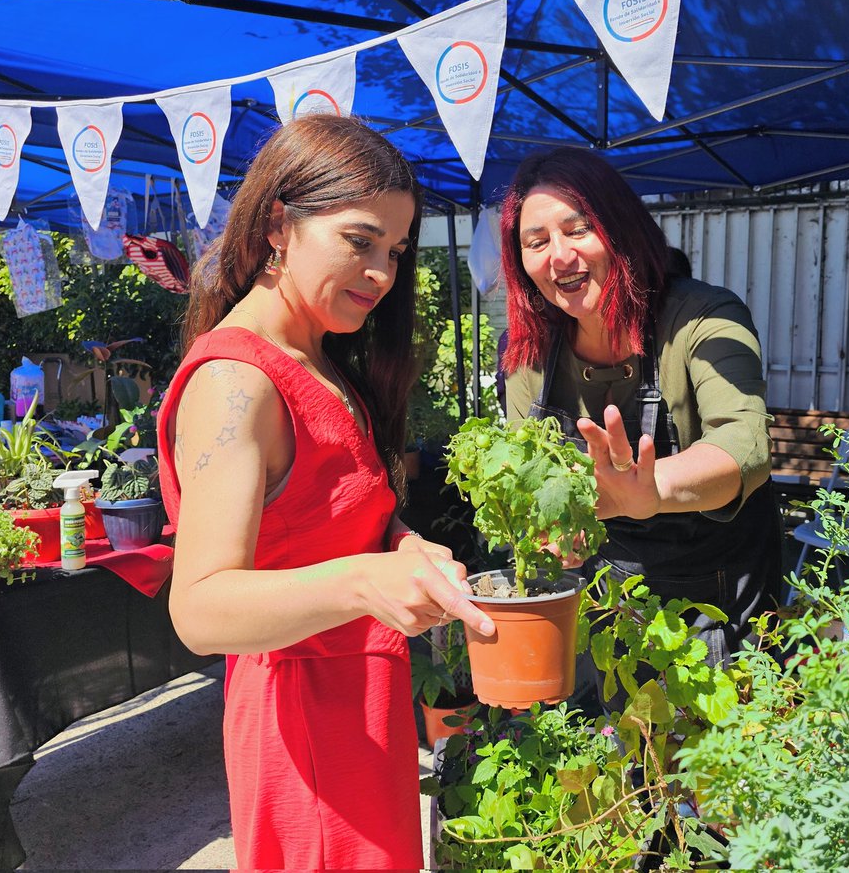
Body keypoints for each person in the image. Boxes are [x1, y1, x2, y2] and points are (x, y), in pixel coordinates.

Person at [156, 115, 493, 871]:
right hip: (301, 734)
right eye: (360, 240)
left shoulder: (320, 362)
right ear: (280, 224)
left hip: (360, 715)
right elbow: (200, 608)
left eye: (397, 252)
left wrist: (405, 546)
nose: (383, 272)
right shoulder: (236, 381)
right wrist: (366, 581)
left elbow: (339, 523)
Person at [499, 147, 782, 665]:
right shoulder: (527, 351)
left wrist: (650, 490)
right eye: (536, 242)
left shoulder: (702, 318)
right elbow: (526, 471)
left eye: (579, 229)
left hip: (715, 599)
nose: (559, 256)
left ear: (621, 227)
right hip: (601, 596)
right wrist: (551, 531)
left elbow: (746, 444)